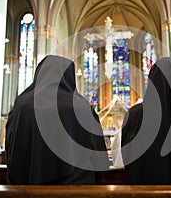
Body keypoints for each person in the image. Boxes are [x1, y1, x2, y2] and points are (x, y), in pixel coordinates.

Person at [6, 55, 109, 185]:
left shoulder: (22, 105)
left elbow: (11, 148)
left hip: (31, 186)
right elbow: (99, 156)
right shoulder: (82, 106)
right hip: (78, 188)